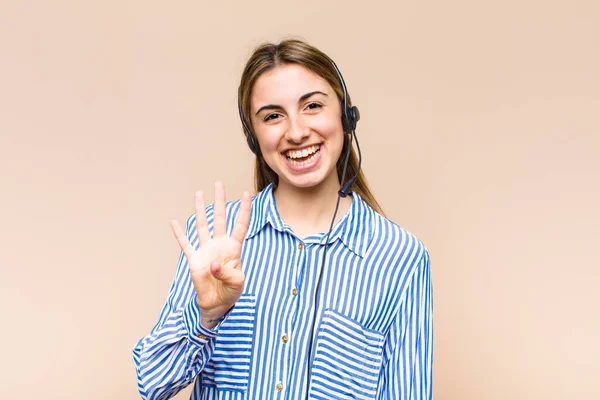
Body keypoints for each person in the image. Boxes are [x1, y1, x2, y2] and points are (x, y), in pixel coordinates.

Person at [133, 39, 433, 400]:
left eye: (313, 106)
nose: (296, 132)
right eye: (273, 116)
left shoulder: (401, 257)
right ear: (253, 137)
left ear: (346, 116)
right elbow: (152, 385)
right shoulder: (216, 235)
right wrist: (207, 316)